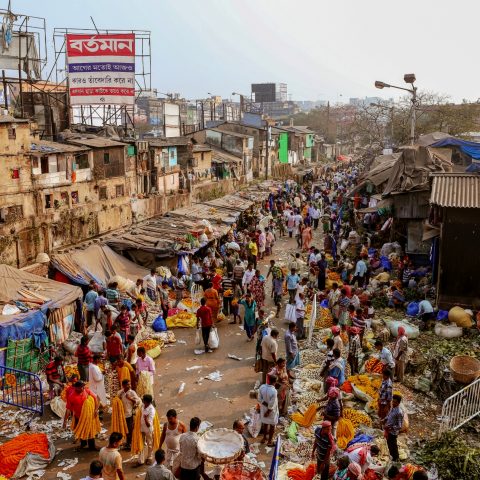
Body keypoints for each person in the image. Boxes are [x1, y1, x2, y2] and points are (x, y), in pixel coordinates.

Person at [63, 381, 99, 451]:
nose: (82, 389)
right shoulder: (71, 397)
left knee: (90, 431)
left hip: (89, 416)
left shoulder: (87, 391)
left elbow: (95, 399)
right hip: (79, 417)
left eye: (83, 387)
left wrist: (96, 410)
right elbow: (68, 409)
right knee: (82, 431)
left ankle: (92, 446)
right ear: (75, 388)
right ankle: (83, 444)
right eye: (80, 388)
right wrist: (64, 421)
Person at [118, 379, 141, 449]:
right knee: (125, 429)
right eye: (128, 384)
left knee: (130, 429)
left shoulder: (132, 393)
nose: (129, 386)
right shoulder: (120, 393)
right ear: (123, 385)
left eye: (130, 384)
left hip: (130, 414)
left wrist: (130, 398)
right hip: (122, 414)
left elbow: (137, 402)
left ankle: (130, 443)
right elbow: (117, 400)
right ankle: (127, 442)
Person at [258, 374, 279, 447]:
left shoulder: (262, 387)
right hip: (271, 411)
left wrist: (265, 404)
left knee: (265, 423)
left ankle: (264, 438)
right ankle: (270, 441)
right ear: (275, 382)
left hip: (263, 408)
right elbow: (272, 403)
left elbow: (259, 399)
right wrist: (268, 411)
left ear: (268, 380)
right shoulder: (274, 391)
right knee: (272, 425)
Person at [136, 394, 156, 466]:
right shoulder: (143, 406)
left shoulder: (152, 410)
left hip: (148, 430)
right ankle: (140, 460)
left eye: (143, 400)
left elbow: (149, 425)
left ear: (147, 402)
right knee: (141, 443)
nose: (142, 400)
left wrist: (145, 419)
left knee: (150, 444)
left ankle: (149, 458)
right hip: (141, 428)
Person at [383, 394, 404, 462]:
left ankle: (396, 459)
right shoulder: (393, 408)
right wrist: (384, 419)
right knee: (389, 444)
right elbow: (389, 415)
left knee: (393, 446)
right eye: (393, 401)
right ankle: (392, 457)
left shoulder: (399, 412)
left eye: (395, 402)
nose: (393, 403)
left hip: (393, 432)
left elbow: (399, 426)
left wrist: (390, 428)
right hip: (388, 430)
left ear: (398, 403)